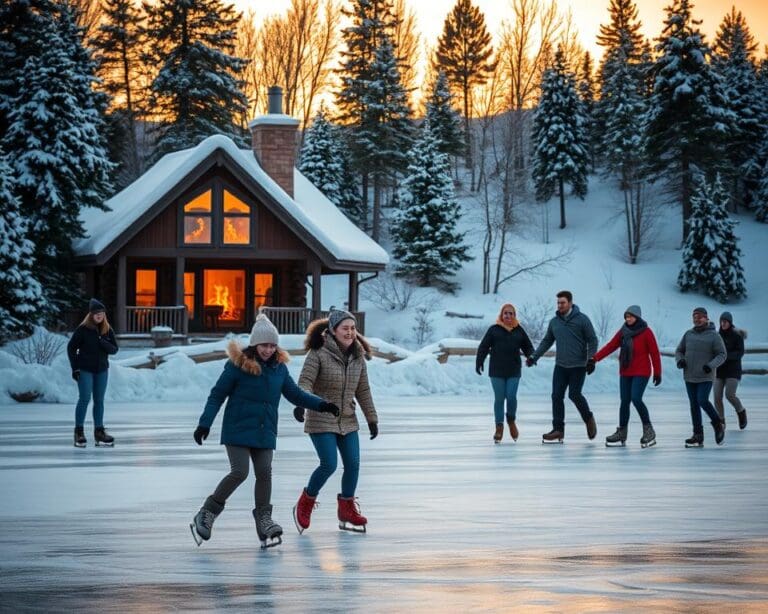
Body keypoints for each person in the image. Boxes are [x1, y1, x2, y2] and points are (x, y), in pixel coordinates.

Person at [190, 314, 339, 549]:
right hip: (237, 429)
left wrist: (322, 404)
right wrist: (204, 424)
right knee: (239, 472)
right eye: (264, 345)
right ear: (254, 345)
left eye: (272, 345)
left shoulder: (279, 369)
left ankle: (264, 520)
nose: (269, 350)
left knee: (265, 472)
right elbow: (217, 395)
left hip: (265, 431)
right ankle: (207, 513)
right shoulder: (237, 366)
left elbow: (295, 394)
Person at [293, 309, 378, 534]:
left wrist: (371, 418)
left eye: (353, 328)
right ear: (332, 330)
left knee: (353, 463)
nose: (350, 332)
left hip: (347, 419)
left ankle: (346, 509)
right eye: (345, 328)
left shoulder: (358, 356)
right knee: (328, 464)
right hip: (321, 416)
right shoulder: (318, 353)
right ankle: (306, 501)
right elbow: (305, 382)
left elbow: (363, 390)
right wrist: (303, 402)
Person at [526, 290, 598, 443]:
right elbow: (547, 341)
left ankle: (588, 418)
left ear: (570, 303)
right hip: (560, 366)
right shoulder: (554, 322)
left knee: (574, 395)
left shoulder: (582, 320)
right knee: (556, 396)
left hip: (578, 366)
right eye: (558, 303)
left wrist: (591, 359)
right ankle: (558, 430)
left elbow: (592, 340)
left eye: (563, 303)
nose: (560, 305)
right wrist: (534, 357)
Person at [592, 305, 662, 448]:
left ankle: (649, 430)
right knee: (624, 401)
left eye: (630, 316)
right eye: (626, 316)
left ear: (637, 317)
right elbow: (611, 345)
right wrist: (594, 359)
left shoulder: (647, 332)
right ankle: (622, 432)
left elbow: (654, 352)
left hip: (642, 371)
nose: (628, 319)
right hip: (626, 371)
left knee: (636, 398)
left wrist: (658, 372)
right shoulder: (623, 331)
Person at [476, 303, 534, 443]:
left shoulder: (519, 330)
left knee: (511, 396)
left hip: (513, 370)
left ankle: (511, 420)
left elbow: (528, 347)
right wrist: (479, 361)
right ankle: (499, 427)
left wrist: (531, 357)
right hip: (496, 370)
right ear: (501, 315)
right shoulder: (494, 330)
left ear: (514, 316)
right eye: (505, 313)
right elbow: (483, 346)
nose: (508, 315)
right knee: (500, 398)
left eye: (511, 313)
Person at [66, 298, 118, 448]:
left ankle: (99, 432)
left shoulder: (107, 330)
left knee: (99, 400)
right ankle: (79, 432)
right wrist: (75, 367)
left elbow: (114, 349)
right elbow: (71, 348)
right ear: (91, 315)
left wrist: (103, 342)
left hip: (102, 370)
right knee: (84, 399)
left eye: (101, 313)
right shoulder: (83, 330)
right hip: (85, 369)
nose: (99, 315)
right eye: (96, 313)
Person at [675, 307, 727, 447]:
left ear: (706, 318)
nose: (696, 319)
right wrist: (680, 360)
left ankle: (718, 424)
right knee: (693, 405)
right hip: (689, 375)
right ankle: (698, 435)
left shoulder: (714, 335)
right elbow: (679, 350)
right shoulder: (688, 334)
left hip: (705, 376)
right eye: (694, 317)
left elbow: (722, 354)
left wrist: (710, 365)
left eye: (699, 317)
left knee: (702, 400)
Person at [714, 311, 748, 430]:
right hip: (719, 370)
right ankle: (721, 421)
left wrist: (726, 356)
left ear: (730, 322)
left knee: (729, 394)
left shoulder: (737, 335)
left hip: (733, 370)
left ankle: (741, 411)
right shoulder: (717, 336)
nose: (723, 323)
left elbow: (740, 353)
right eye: (721, 321)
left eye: (725, 321)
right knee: (717, 396)